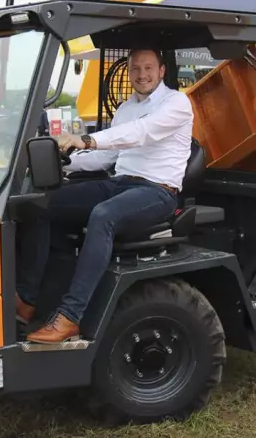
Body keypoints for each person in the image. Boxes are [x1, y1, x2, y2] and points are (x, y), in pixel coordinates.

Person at [17, 49, 194, 343]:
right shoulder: (126, 108)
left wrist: (85, 138)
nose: (142, 74)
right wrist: (55, 162)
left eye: (148, 68)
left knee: (104, 216)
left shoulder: (176, 103)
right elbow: (105, 158)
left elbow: (141, 133)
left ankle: (70, 316)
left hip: (157, 191)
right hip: (119, 182)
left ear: (162, 71)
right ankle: (26, 298)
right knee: (40, 205)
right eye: (135, 68)